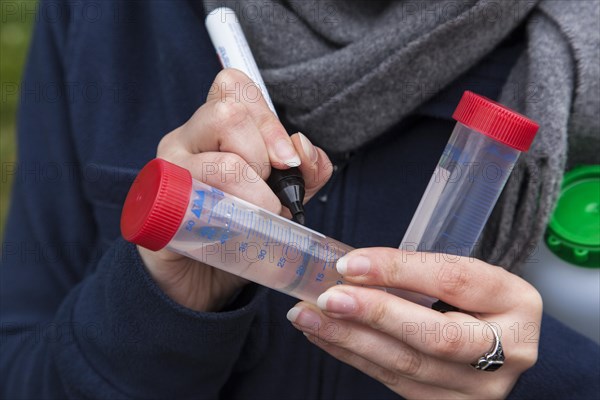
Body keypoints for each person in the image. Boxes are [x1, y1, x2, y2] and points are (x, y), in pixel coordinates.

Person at [1, 1, 598, 399]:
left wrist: (523, 375)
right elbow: (21, 369)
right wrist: (156, 305)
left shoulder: (577, 51)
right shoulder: (108, 17)